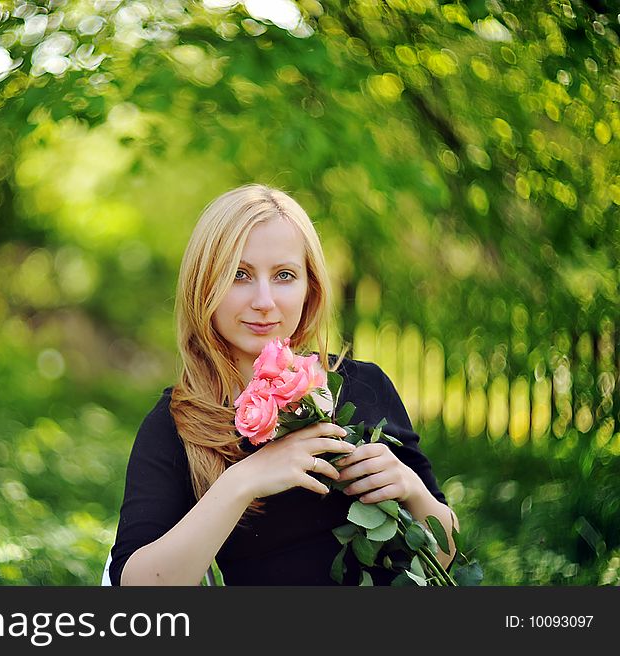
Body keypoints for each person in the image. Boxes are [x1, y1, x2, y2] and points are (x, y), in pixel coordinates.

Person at [109, 184, 457, 585]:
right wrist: (243, 481)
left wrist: (411, 489)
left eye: (284, 275)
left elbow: (444, 556)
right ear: (204, 285)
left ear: (310, 287)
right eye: (239, 275)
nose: (264, 300)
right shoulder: (180, 422)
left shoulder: (366, 387)